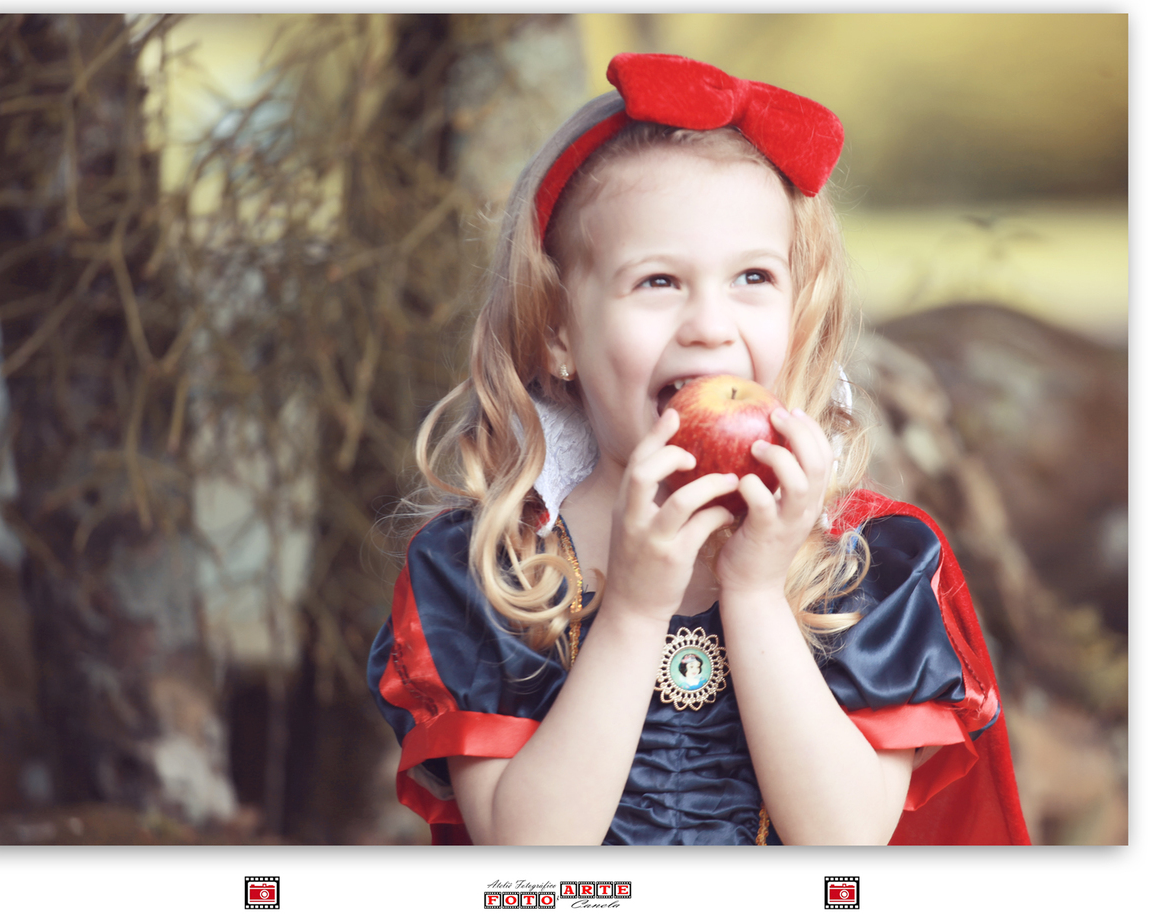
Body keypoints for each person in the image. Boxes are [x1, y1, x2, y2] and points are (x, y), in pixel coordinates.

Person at [368, 53, 1029, 846]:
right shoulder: (494, 568)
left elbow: (845, 845)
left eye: (752, 276)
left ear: (799, 311)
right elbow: (527, 858)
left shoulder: (867, 563)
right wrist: (636, 609)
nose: (710, 325)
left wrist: (753, 591)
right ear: (557, 332)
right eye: (657, 282)